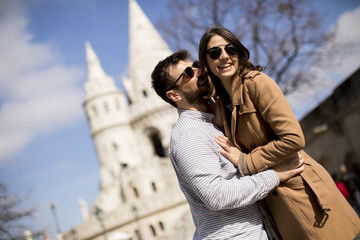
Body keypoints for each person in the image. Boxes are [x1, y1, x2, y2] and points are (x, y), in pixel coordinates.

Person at [198, 26, 360, 240]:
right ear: (206, 61)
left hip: (305, 196)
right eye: (215, 52)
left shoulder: (256, 82)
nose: (224, 56)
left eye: (230, 49)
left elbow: (294, 138)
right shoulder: (223, 105)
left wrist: (246, 162)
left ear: (239, 53)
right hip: (278, 204)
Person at [151, 50, 305, 240]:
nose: (199, 72)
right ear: (174, 95)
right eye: (188, 74)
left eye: (196, 65)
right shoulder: (188, 134)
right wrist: (275, 175)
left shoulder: (208, 124)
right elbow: (216, 196)